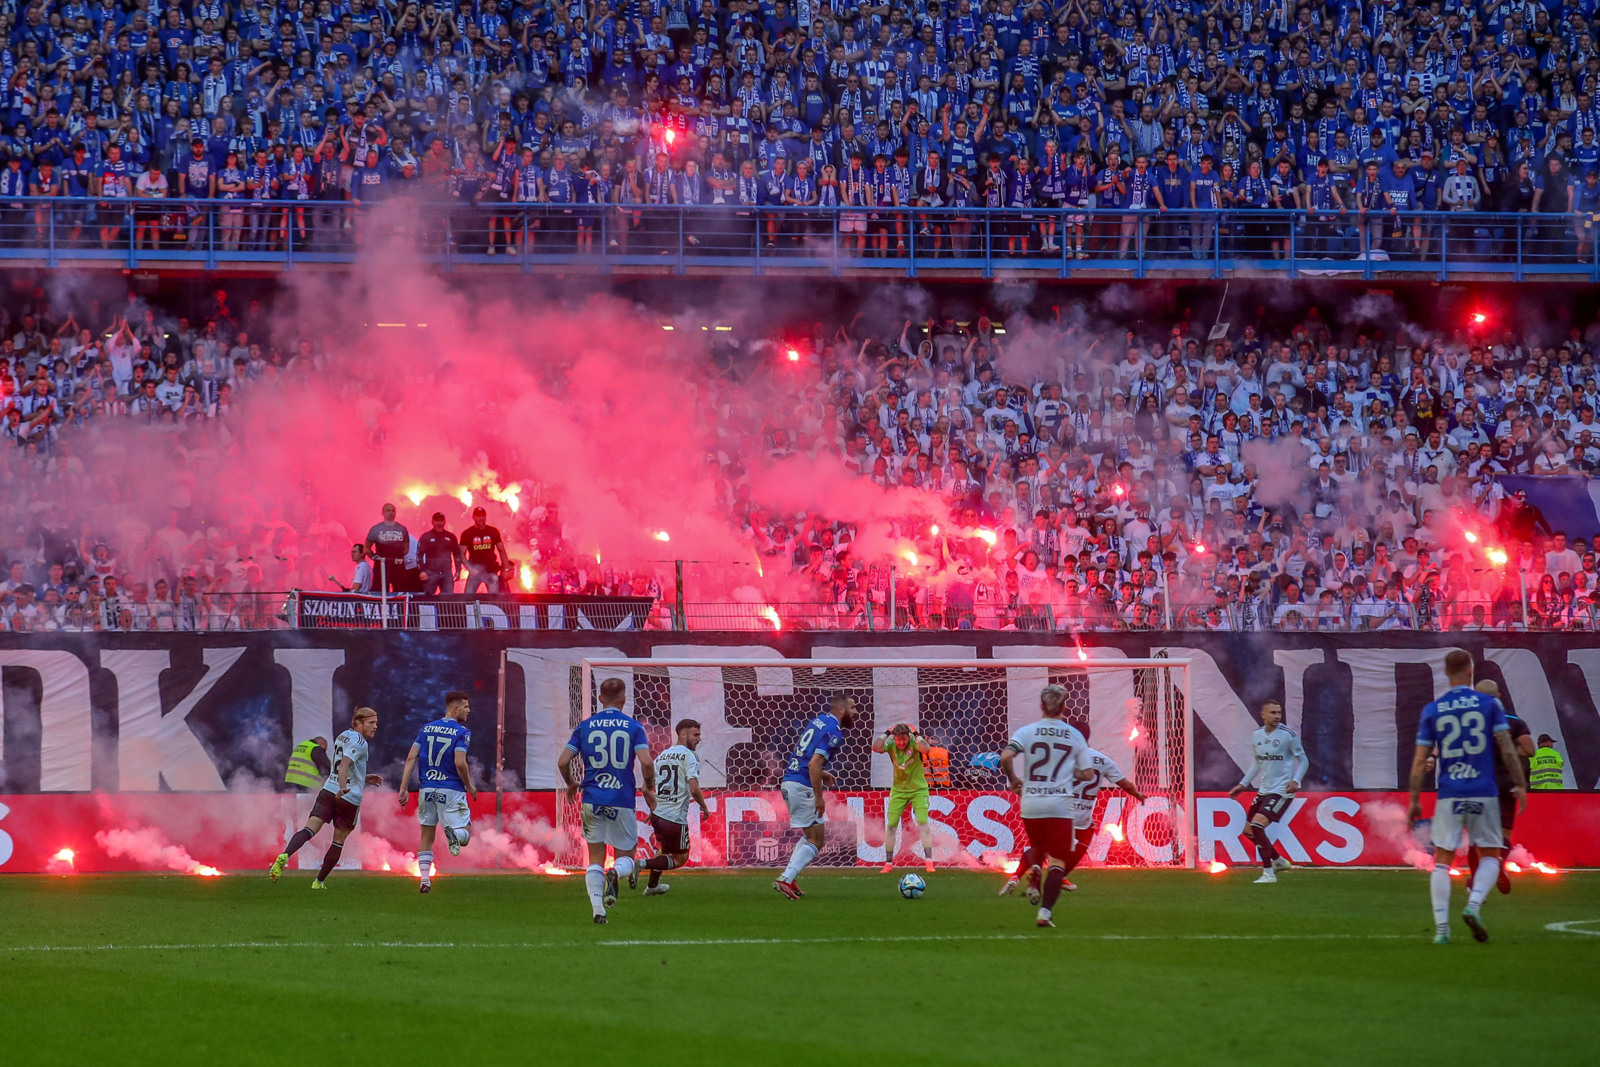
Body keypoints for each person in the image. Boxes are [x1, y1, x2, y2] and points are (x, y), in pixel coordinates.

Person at [1409, 650, 1527, 944]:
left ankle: (1441, 930)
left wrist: (1414, 798)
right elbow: (1508, 747)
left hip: (1450, 792)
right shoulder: (1489, 704)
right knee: (1491, 854)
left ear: (1446, 672)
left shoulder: (1433, 709)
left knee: (1441, 862)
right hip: (1485, 791)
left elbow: (1419, 759)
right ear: (1470, 672)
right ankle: (1473, 905)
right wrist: (1520, 783)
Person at [556, 678, 655, 924]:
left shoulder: (585, 727)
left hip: (592, 798)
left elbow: (562, 761)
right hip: (621, 798)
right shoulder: (633, 727)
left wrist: (570, 783)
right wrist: (649, 788)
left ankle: (598, 911)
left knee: (594, 858)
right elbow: (646, 761)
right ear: (623, 699)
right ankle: (615, 873)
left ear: (600, 699)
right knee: (626, 858)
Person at [999, 684, 1095, 928]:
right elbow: (1087, 774)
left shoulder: (1027, 732)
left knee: (1038, 848)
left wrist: (1013, 781)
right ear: (1064, 707)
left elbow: (1005, 757)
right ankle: (1045, 913)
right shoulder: (1075, 735)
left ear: (1041, 706)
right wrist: (1066, 770)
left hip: (1031, 803)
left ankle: (1033, 875)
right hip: (1060, 806)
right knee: (1058, 861)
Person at [269, 707, 383, 888]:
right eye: (371, 722)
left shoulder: (343, 735)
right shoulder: (360, 742)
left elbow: (342, 765)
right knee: (338, 841)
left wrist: (364, 777)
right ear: (359, 723)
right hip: (347, 797)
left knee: (309, 829)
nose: (375, 726)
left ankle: (285, 854)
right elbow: (344, 765)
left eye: (376, 722)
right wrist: (344, 787)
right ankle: (318, 882)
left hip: (328, 791)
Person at [773, 693, 857, 900]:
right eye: (852, 708)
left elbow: (807, 756)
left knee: (812, 836)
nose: (855, 713)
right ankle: (785, 878)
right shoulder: (835, 732)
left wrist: (823, 773)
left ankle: (789, 877)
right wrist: (819, 797)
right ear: (841, 710)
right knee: (817, 839)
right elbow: (813, 763)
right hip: (802, 786)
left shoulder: (819, 720)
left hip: (792, 780)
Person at [397, 689, 475, 894]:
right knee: (465, 831)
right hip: (451, 789)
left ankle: (424, 880)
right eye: (466, 706)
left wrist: (404, 787)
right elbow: (460, 762)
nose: (469, 710)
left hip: (427, 789)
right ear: (455, 707)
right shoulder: (462, 732)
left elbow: (410, 758)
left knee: (426, 836)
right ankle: (454, 833)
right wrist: (469, 785)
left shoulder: (426, 728)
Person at [1227, 700, 1309, 884]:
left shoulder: (1287, 734)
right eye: (1272, 713)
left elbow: (1303, 760)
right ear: (1262, 715)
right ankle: (1279, 860)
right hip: (1264, 791)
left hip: (1282, 791)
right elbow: (1257, 762)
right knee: (1248, 831)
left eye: (1279, 712)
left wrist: (1296, 780)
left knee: (1257, 826)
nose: (1277, 716)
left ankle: (1268, 873)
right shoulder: (1256, 735)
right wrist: (1243, 784)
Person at [1466, 680, 1534, 894]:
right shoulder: (1514, 722)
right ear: (1499, 696)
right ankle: (1497, 865)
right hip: (1507, 782)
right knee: (1504, 830)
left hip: (1479, 782)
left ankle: (1476, 878)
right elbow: (1530, 750)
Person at [639, 718, 710, 896]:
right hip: (674, 817)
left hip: (658, 815)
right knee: (680, 858)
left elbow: (645, 789)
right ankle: (639, 865)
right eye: (696, 735)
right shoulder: (689, 756)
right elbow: (694, 788)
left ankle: (652, 887)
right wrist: (704, 807)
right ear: (683, 734)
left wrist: (652, 809)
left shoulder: (661, 756)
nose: (699, 739)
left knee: (664, 850)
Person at [871, 723, 935, 873]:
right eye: (899, 740)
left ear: (909, 737)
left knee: (922, 822)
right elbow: (876, 747)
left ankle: (929, 862)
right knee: (892, 825)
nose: (901, 743)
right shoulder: (891, 743)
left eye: (904, 740)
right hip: (899, 791)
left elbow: (926, 749)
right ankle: (888, 864)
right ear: (895, 738)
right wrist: (887, 731)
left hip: (918, 790)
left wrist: (916, 733)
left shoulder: (914, 743)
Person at [460, 506, 508, 594]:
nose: (481, 518)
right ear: (473, 517)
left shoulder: (493, 531)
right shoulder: (467, 533)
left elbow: (501, 550)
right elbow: (461, 554)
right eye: (478, 516)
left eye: (483, 516)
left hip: (491, 571)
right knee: (467, 599)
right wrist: (470, 569)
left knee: (493, 600)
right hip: (475, 572)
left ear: (486, 517)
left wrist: (505, 569)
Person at [364, 502, 410, 592]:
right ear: (383, 513)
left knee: (401, 591)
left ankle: (399, 606)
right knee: (380, 591)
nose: (391, 513)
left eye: (393, 511)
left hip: (398, 566)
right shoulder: (376, 529)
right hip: (382, 566)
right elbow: (367, 548)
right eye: (388, 511)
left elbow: (406, 548)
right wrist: (375, 558)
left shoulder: (402, 529)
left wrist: (397, 557)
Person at [416, 512, 463, 595]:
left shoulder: (451, 537)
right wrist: (422, 571)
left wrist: (458, 570)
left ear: (444, 522)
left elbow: (457, 554)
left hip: (447, 574)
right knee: (427, 600)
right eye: (437, 520)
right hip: (430, 573)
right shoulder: (426, 536)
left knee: (448, 600)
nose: (439, 523)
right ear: (432, 522)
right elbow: (419, 555)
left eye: (441, 520)